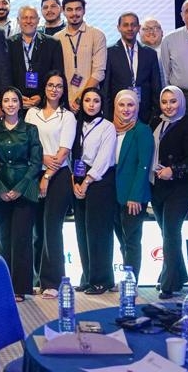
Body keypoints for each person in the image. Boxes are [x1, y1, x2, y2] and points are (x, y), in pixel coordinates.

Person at [0, 88, 42, 301]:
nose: (10, 104)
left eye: (14, 100)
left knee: (21, 239)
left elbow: (36, 162)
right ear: (1, 104)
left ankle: (20, 288)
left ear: (21, 104)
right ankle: (5, 285)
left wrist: (20, 188)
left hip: (25, 190)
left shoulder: (30, 129)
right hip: (0, 188)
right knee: (4, 238)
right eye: (6, 100)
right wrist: (0, 189)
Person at [26, 71, 75, 297]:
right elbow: (29, 145)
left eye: (59, 86)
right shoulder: (32, 114)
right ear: (44, 88)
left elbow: (62, 153)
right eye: (50, 85)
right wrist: (42, 161)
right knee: (37, 230)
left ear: (63, 91)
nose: (54, 89)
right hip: (34, 173)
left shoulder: (68, 117)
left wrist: (46, 176)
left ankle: (54, 283)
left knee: (52, 228)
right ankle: (38, 279)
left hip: (58, 176)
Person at [150, 86, 188, 299]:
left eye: (173, 101)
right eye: (165, 102)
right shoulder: (156, 123)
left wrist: (174, 170)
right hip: (158, 186)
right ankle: (177, 275)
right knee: (166, 232)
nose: (168, 106)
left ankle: (169, 283)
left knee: (171, 230)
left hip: (181, 187)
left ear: (181, 102)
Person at [70, 88, 115, 295]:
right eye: (87, 100)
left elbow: (103, 159)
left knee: (98, 232)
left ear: (101, 104)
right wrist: (75, 181)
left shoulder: (107, 127)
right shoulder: (76, 124)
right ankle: (88, 277)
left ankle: (102, 280)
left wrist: (87, 181)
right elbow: (71, 155)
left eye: (96, 101)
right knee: (82, 232)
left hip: (99, 180)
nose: (91, 104)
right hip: (78, 178)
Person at [112, 89, 154, 279]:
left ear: (137, 107)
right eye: (122, 105)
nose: (126, 109)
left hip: (133, 196)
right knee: (122, 240)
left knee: (131, 241)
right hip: (114, 194)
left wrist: (135, 196)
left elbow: (143, 165)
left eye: (130, 105)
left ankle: (131, 281)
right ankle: (126, 278)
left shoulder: (142, 130)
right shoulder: (111, 128)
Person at [104, 12, 163, 122]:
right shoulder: (109, 53)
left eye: (133, 25)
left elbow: (156, 87)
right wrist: (108, 119)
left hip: (145, 115)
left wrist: (155, 116)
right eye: (125, 25)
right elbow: (106, 89)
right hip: (118, 115)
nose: (130, 28)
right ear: (118, 28)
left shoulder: (150, 53)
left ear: (139, 28)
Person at [53, 0, 106, 111]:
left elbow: (99, 72)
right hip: (64, 100)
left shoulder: (97, 35)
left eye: (78, 9)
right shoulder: (57, 38)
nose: (74, 13)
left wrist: (80, 98)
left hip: (90, 101)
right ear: (63, 11)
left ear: (84, 10)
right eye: (69, 10)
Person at [8, 6, 63, 111]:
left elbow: (57, 74)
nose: (28, 21)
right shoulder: (8, 44)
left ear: (38, 20)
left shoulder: (52, 43)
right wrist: (16, 96)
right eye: (24, 18)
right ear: (18, 21)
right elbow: (5, 74)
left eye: (32, 18)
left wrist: (42, 95)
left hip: (44, 103)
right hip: (15, 104)